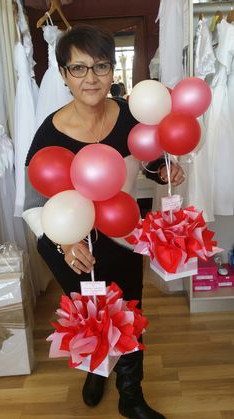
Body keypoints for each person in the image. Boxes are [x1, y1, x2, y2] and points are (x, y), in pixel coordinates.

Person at [23, 25, 185, 419]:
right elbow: (32, 203)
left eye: (99, 66)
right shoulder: (48, 134)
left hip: (123, 229)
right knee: (90, 311)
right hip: (69, 243)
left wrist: (161, 172)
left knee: (128, 310)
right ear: (63, 75)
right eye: (78, 69)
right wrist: (65, 242)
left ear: (112, 70)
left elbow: (142, 162)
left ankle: (131, 396)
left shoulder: (132, 115)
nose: (90, 78)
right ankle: (97, 370)